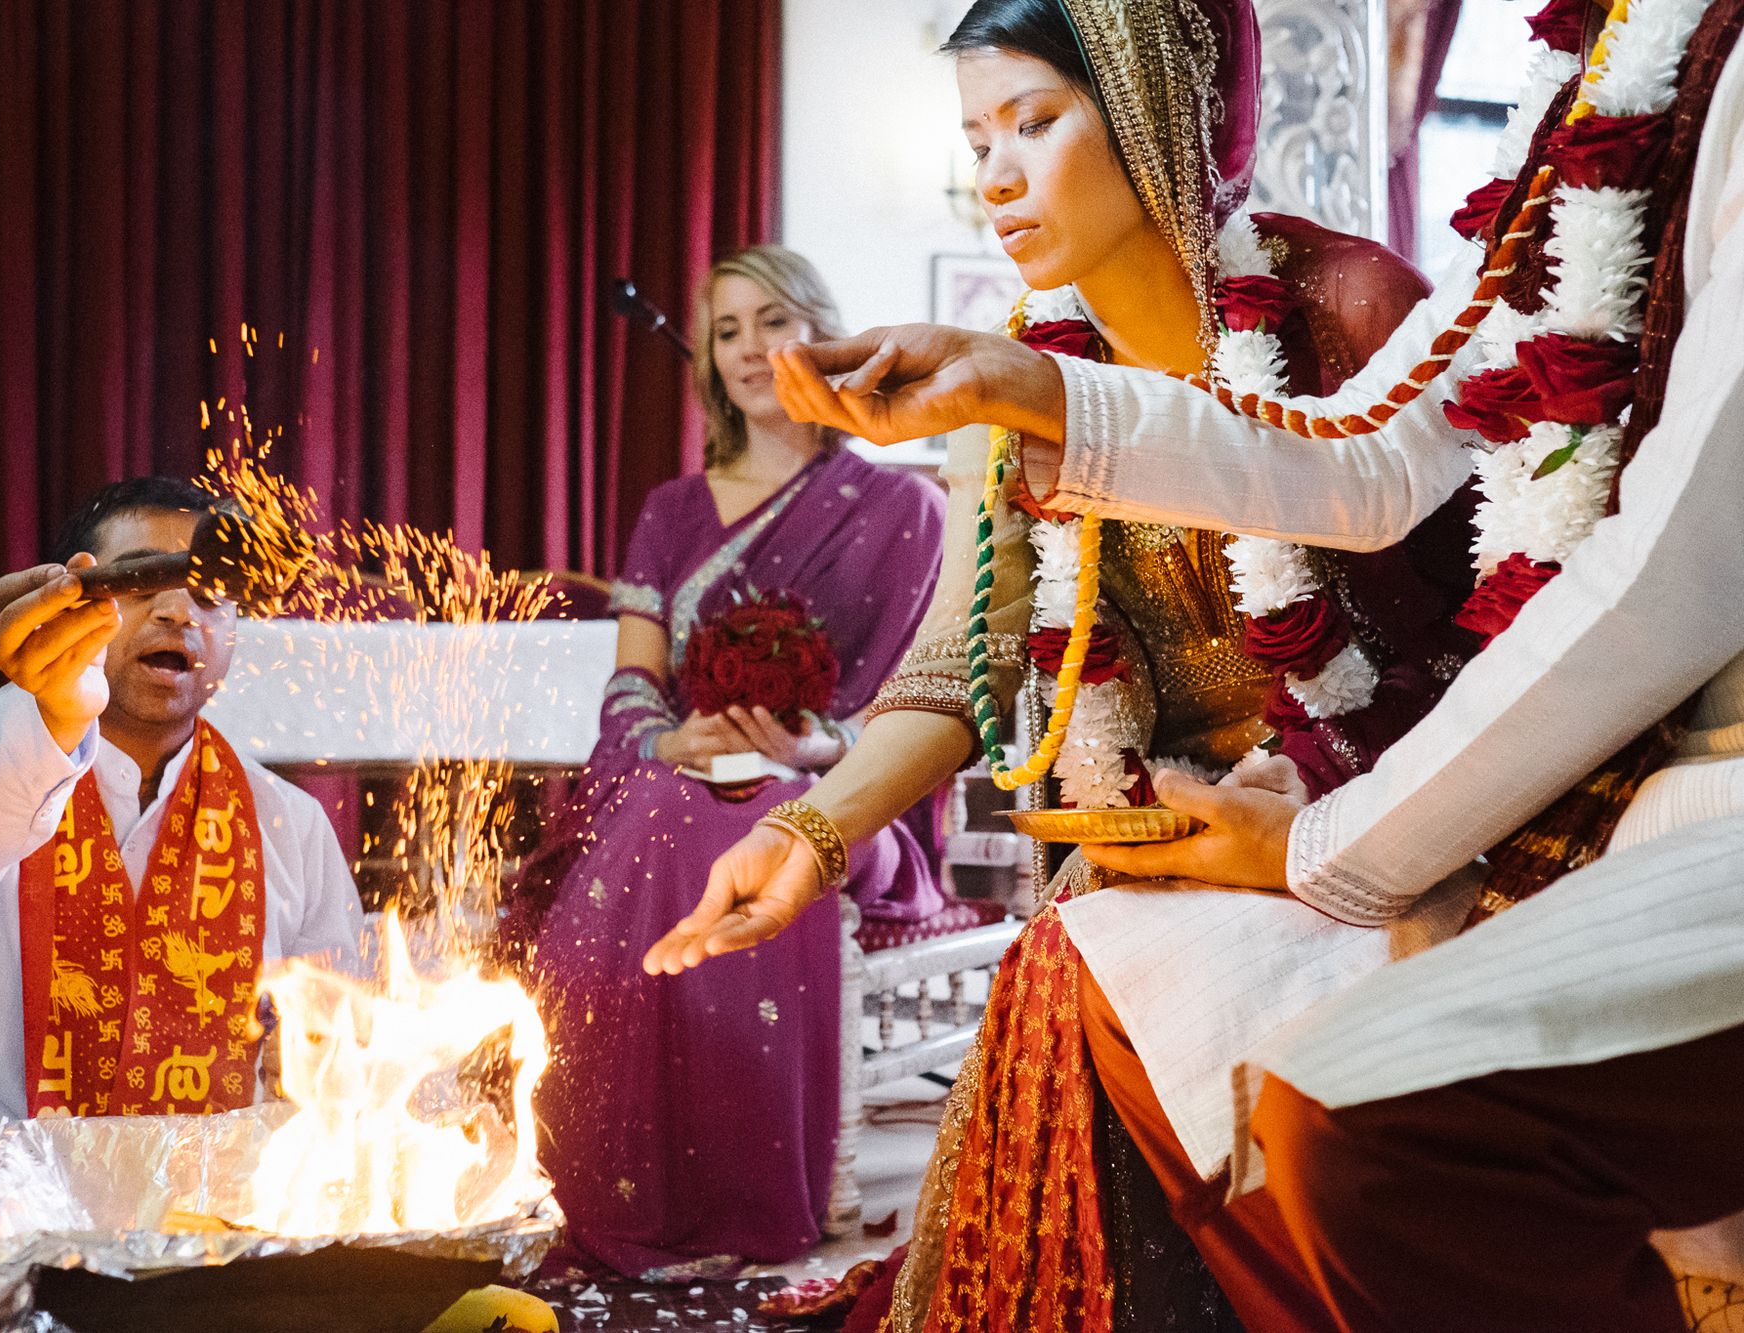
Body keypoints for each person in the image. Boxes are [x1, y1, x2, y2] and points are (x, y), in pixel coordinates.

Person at [684, 0, 1744, 1323]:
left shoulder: (1344, 297)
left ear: (1148, 109)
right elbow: (965, 658)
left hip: (1435, 815)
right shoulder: (1026, 373)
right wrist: (811, 831)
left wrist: (1319, 835)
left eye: (1033, 123)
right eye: (975, 138)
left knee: (1249, 1059)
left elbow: (1549, 599)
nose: (994, 172)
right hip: (1200, 846)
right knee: (1066, 956)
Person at [523, 245, 948, 1280]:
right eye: (725, 332)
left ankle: (730, 1195)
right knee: (678, 805)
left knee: (743, 818)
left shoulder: (904, 509)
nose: (751, 349)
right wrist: (670, 739)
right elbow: (629, 688)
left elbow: (922, 707)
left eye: (772, 320)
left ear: (821, 331)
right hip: (669, 780)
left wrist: (821, 748)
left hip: (843, 799)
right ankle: (613, 1184)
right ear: (707, 365)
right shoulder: (670, 511)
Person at [0, 477, 363, 1122]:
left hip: (205, 1211)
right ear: (67, 598)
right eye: (138, 582)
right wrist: (58, 716)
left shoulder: (286, 821)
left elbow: (339, 1034)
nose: (181, 612)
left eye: (212, 594)